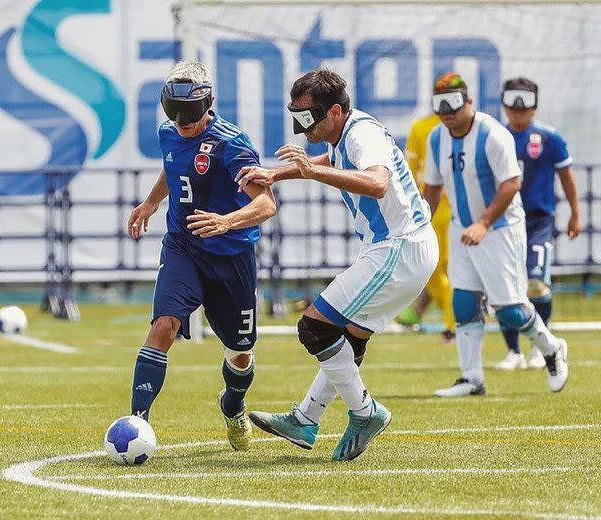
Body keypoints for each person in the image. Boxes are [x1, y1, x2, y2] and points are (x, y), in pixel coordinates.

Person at [235, 68, 438, 461]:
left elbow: (377, 182)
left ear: (335, 112)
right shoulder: (348, 132)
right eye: (296, 116)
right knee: (349, 339)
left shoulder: (362, 133)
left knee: (314, 327)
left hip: (398, 247)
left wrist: (312, 172)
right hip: (401, 248)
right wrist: (276, 173)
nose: (301, 127)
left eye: (307, 117)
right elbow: (331, 159)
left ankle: (365, 413)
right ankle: (306, 418)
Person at [126, 61, 276, 450]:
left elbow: (266, 204)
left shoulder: (232, 144)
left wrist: (226, 222)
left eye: (189, 114)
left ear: (208, 103)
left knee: (240, 354)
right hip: (183, 246)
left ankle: (233, 404)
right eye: (173, 113)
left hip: (231, 256)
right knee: (163, 327)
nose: (181, 122)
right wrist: (150, 203)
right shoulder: (168, 132)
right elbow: (173, 167)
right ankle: (136, 424)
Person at [422, 73, 569, 397]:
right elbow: (432, 186)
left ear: (469, 102)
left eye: (453, 103)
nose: (447, 111)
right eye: (439, 104)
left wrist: (484, 223)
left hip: (500, 229)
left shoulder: (491, 134)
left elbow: (511, 183)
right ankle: (472, 378)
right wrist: (419, 223)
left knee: (510, 309)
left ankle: (552, 347)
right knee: (463, 301)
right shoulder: (436, 137)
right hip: (462, 228)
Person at [494, 77, 581, 371]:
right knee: (504, 287)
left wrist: (575, 213)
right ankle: (512, 351)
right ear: (504, 105)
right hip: (503, 221)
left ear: (535, 106)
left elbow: (566, 177)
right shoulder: (494, 135)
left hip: (538, 220)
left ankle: (540, 345)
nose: (518, 112)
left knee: (536, 284)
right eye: (512, 105)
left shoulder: (549, 138)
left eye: (524, 106)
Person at [397, 103, 455, 343]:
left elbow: (409, 168)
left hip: (431, 206)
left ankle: (456, 324)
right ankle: (453, 320)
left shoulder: (422, 127)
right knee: (443, 268)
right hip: (452, 206)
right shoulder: (460, 127)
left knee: (433, 268)